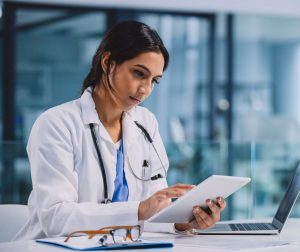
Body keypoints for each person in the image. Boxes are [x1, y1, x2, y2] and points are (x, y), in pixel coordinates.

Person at [14, 21, 226, 240]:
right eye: (139, 73)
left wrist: (183, 222)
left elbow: (153, 212)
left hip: (119, 245)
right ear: (108, 63)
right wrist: (138, 210)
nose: (145, 89)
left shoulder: (146, 123)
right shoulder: (56, 124)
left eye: (155, 81)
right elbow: (56, 219)